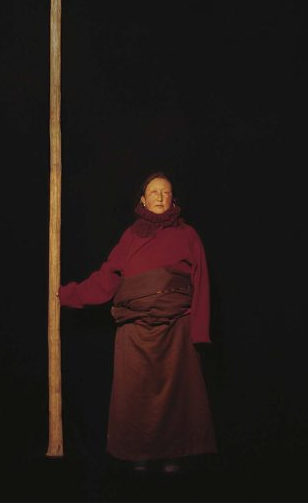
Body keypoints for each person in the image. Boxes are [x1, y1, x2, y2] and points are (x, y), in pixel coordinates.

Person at [58, 172, 216, 475]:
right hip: (134, 331)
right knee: (136, 397)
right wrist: (68, 295)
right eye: (153, 192)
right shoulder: (130, 236)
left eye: (166, 192)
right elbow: (107, 279)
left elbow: (202, 282)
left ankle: (174, 455)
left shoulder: (188, 235)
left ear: (173, 200)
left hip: (176, 329)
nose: (159, 196)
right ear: (142, 199)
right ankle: (138, 455)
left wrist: (199, 332)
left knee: (175, 397)